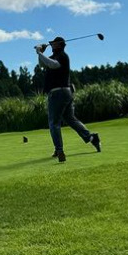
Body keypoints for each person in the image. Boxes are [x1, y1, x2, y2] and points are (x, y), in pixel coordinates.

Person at [35, 36, 101, 164]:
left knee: (54, 123)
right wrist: (40, 54)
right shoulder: (54, 56)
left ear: (59, 45)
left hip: (58, 93)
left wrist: (39, 52)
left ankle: (59, 150)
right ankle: (92, 138)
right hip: (65, 93)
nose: (52, 45)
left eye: (54, 43)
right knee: (70, 119)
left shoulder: (62, 56)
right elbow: (43, 64)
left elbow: (52, 65)